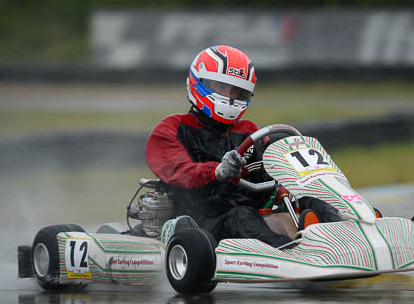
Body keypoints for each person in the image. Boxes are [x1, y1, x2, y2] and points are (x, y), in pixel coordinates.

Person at [145, 45, 340, 248]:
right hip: (200, 224)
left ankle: (345, 235)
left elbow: (268, 175)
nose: (230, 97)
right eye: (221, 87)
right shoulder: (172, 129)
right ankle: (292, 251)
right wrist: (218, 170)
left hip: (252, 218)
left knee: (308, 198)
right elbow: (178, 171)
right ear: (199, 82)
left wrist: (290, 182)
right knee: (241, 214)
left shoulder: (249, 131)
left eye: (237, 92)